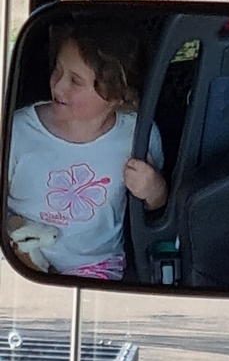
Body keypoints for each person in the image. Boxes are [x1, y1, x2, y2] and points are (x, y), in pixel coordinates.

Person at [8, 20, 167, 280]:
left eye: (75, 81)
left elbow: (157, 204)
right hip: (19, 259)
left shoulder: (138, 135)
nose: (58, 86)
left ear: (118, 95)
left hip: (96, 266)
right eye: (57, 70)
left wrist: (154, 188)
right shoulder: (19, 130)